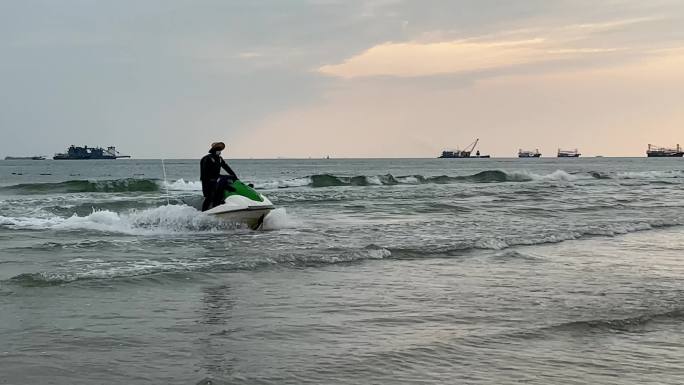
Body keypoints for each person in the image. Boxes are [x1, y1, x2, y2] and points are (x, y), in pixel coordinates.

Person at [200, 142, 239, 211]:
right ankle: (203, 213)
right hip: (207, 181)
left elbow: (227, 167)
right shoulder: (207, 158)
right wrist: (212, 180)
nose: (220, 151)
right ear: (213, 150)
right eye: (218, 149)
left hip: (216, 179)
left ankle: (217, 208)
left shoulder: (220, 158)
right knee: (209, 197)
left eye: (220, 150)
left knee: (220, 193)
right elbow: (204, 172)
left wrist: (235, 177)